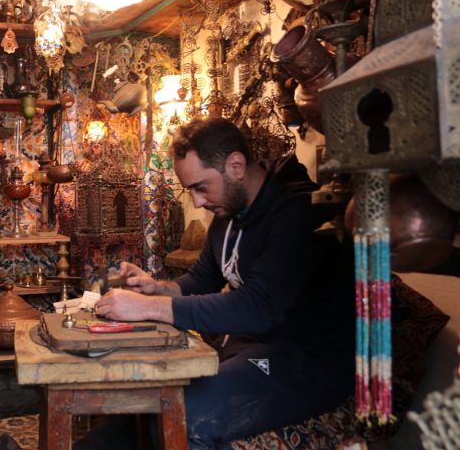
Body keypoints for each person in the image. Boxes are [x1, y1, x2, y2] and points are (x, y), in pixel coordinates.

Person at [77, 117, 355, 449]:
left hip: (305, 361)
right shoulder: (229, 214)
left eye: (201, 187)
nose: (197, 202)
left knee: (180, 414)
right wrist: (157, 288)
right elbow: (202, 279)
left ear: (235, 165)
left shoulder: (298, 212)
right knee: (139, 403)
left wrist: (150, 307)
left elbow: (256, 307)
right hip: (248, 350)